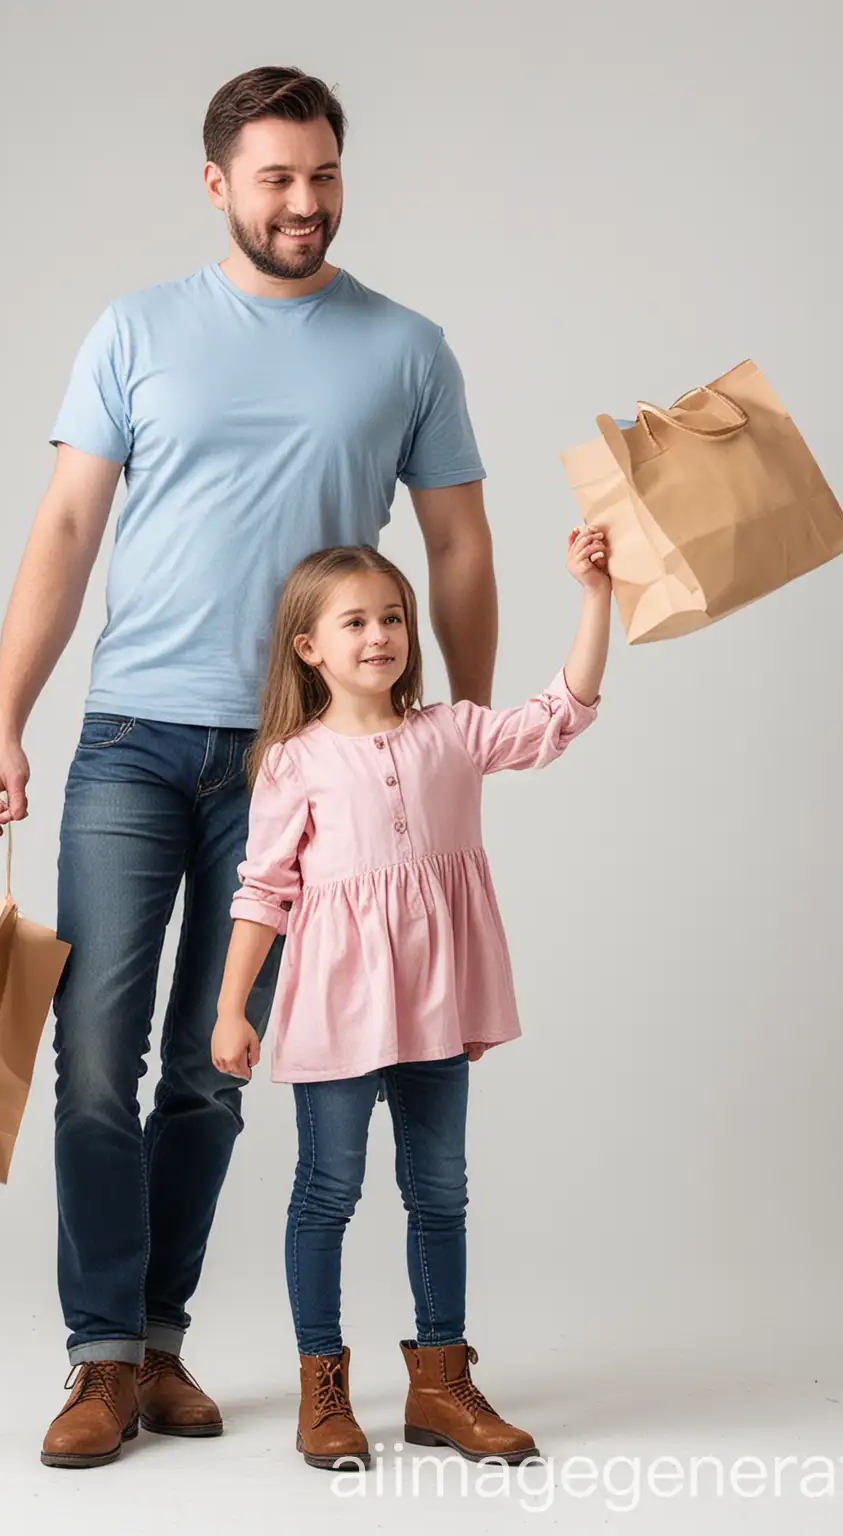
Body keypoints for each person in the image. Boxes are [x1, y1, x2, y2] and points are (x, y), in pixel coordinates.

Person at [0, 66, 501, 1469]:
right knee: (93, 1061)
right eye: (276, 179)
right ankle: (99, 1359)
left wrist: (461, 735)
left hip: (299, 763)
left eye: (323, 176)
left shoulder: (407, 347)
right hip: (134, 737)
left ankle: (159, 1344)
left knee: (213, 1072)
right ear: (218, 184)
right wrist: (3, 719)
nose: (304, 203)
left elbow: (457, 548)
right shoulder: (136, 332)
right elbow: (69, 527)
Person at [211, 531, 611, 1469]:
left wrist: (596, 596)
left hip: (434, 1002)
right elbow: (262, 891)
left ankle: (440, 1382)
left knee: (440, 1191)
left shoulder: (451, 732)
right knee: (328, 1192)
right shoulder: (292, 762)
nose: (379, 635)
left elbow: (564, 712)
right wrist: (234, 1008)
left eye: (391, 617)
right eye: (353, 622)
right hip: (337, 1008)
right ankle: (325, 1386)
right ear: (309, 647)